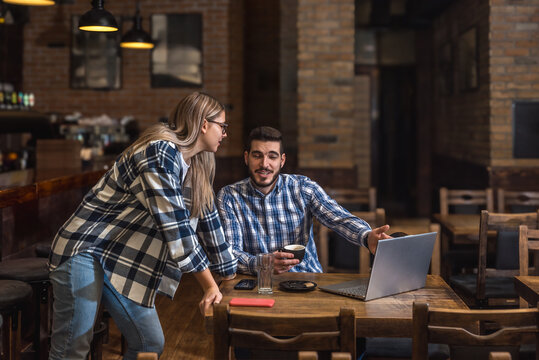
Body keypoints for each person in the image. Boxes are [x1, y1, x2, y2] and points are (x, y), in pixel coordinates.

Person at [47, 92, 237, 360]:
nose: (225, 134)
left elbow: (211, 226)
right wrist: (209, 285)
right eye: (223, 126)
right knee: (73, 348)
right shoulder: (159, 152)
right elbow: (177, 229)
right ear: (204, 124)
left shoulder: (196, 166)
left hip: (117, 259)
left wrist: (232, 274)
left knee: (149, 343)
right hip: (85, 249)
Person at [217, 126, 390, 275]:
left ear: (282, 160)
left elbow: (339, 218)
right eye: (257, 155)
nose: (265, 164)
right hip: (258, 284)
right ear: (246, 158)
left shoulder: (303, 187)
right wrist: (263, 263)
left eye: (272, 156)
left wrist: (367, 237)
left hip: (307, 280)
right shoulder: (229, 197)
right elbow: (230, 253)